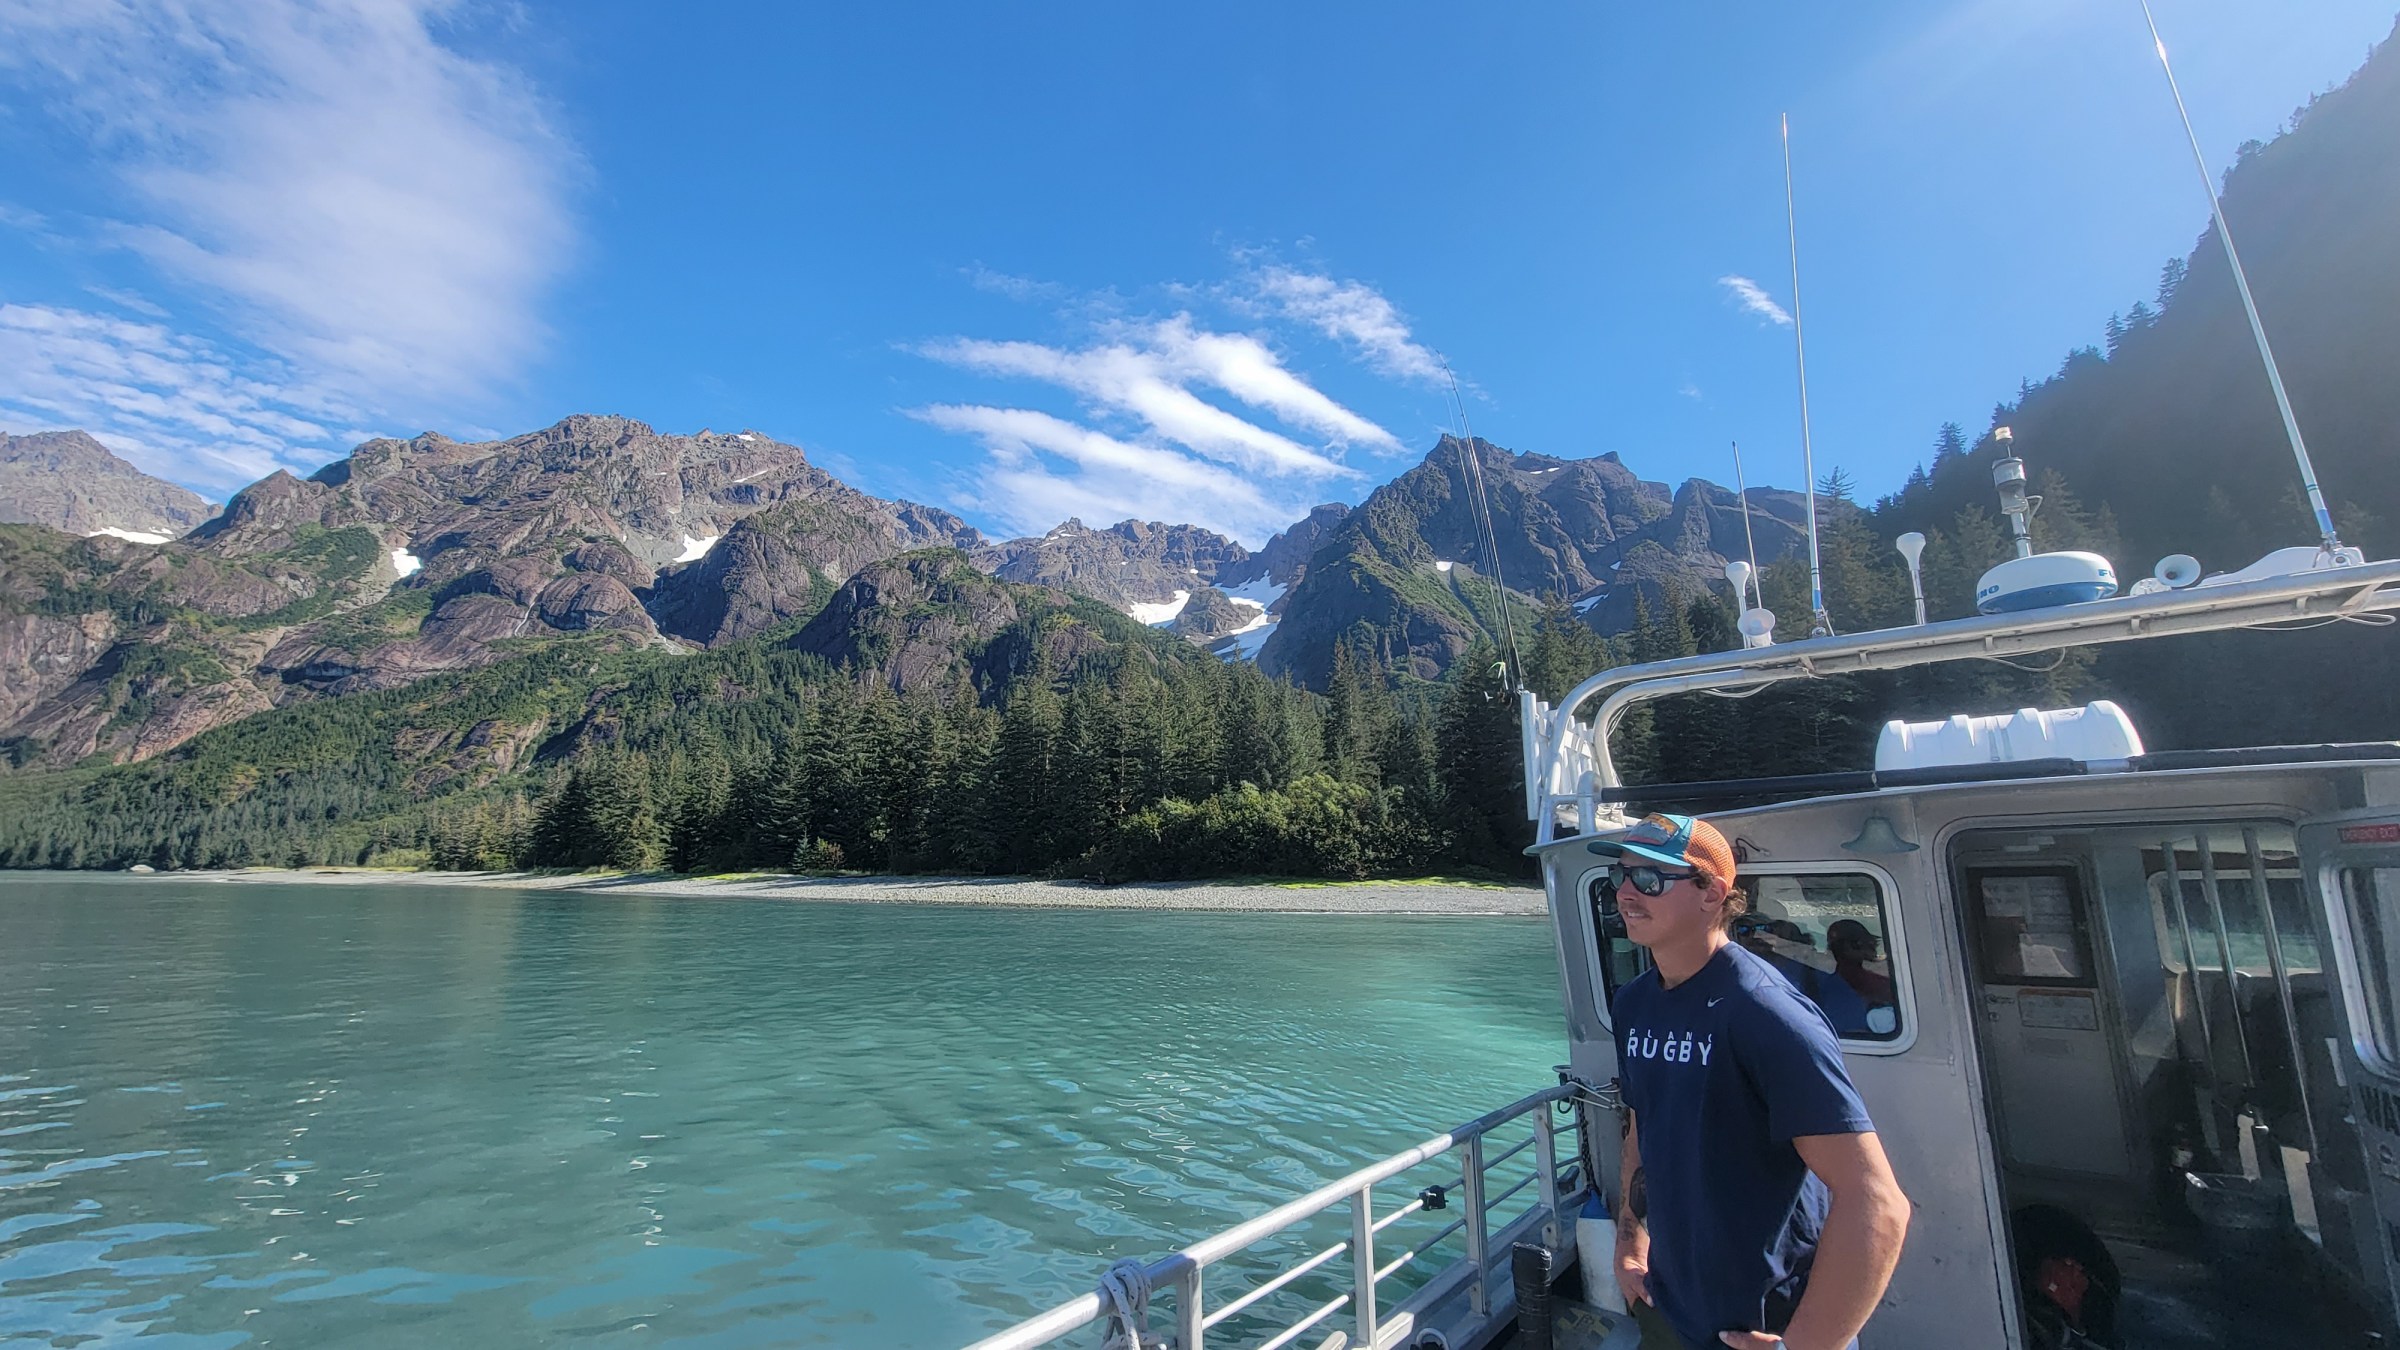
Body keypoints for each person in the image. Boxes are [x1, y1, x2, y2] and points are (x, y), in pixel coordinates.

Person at [1596, 812, 1911, 1349]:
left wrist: (1806, 1344)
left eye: (1650, 878)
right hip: (1671, 1308)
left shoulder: (1765, 1012)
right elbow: (1641, 1127)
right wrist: (1631, 1239)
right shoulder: (1635, 1003)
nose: (1627, 892)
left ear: (1711, 894)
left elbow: (1876, 1200)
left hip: (1769, 1326)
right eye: (1620, 877)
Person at [1825, 920, 1896, 1008]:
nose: (1873, 947)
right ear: (1849, 947)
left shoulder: (1830, 982)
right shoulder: (1870, 981)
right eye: (1870, 943)